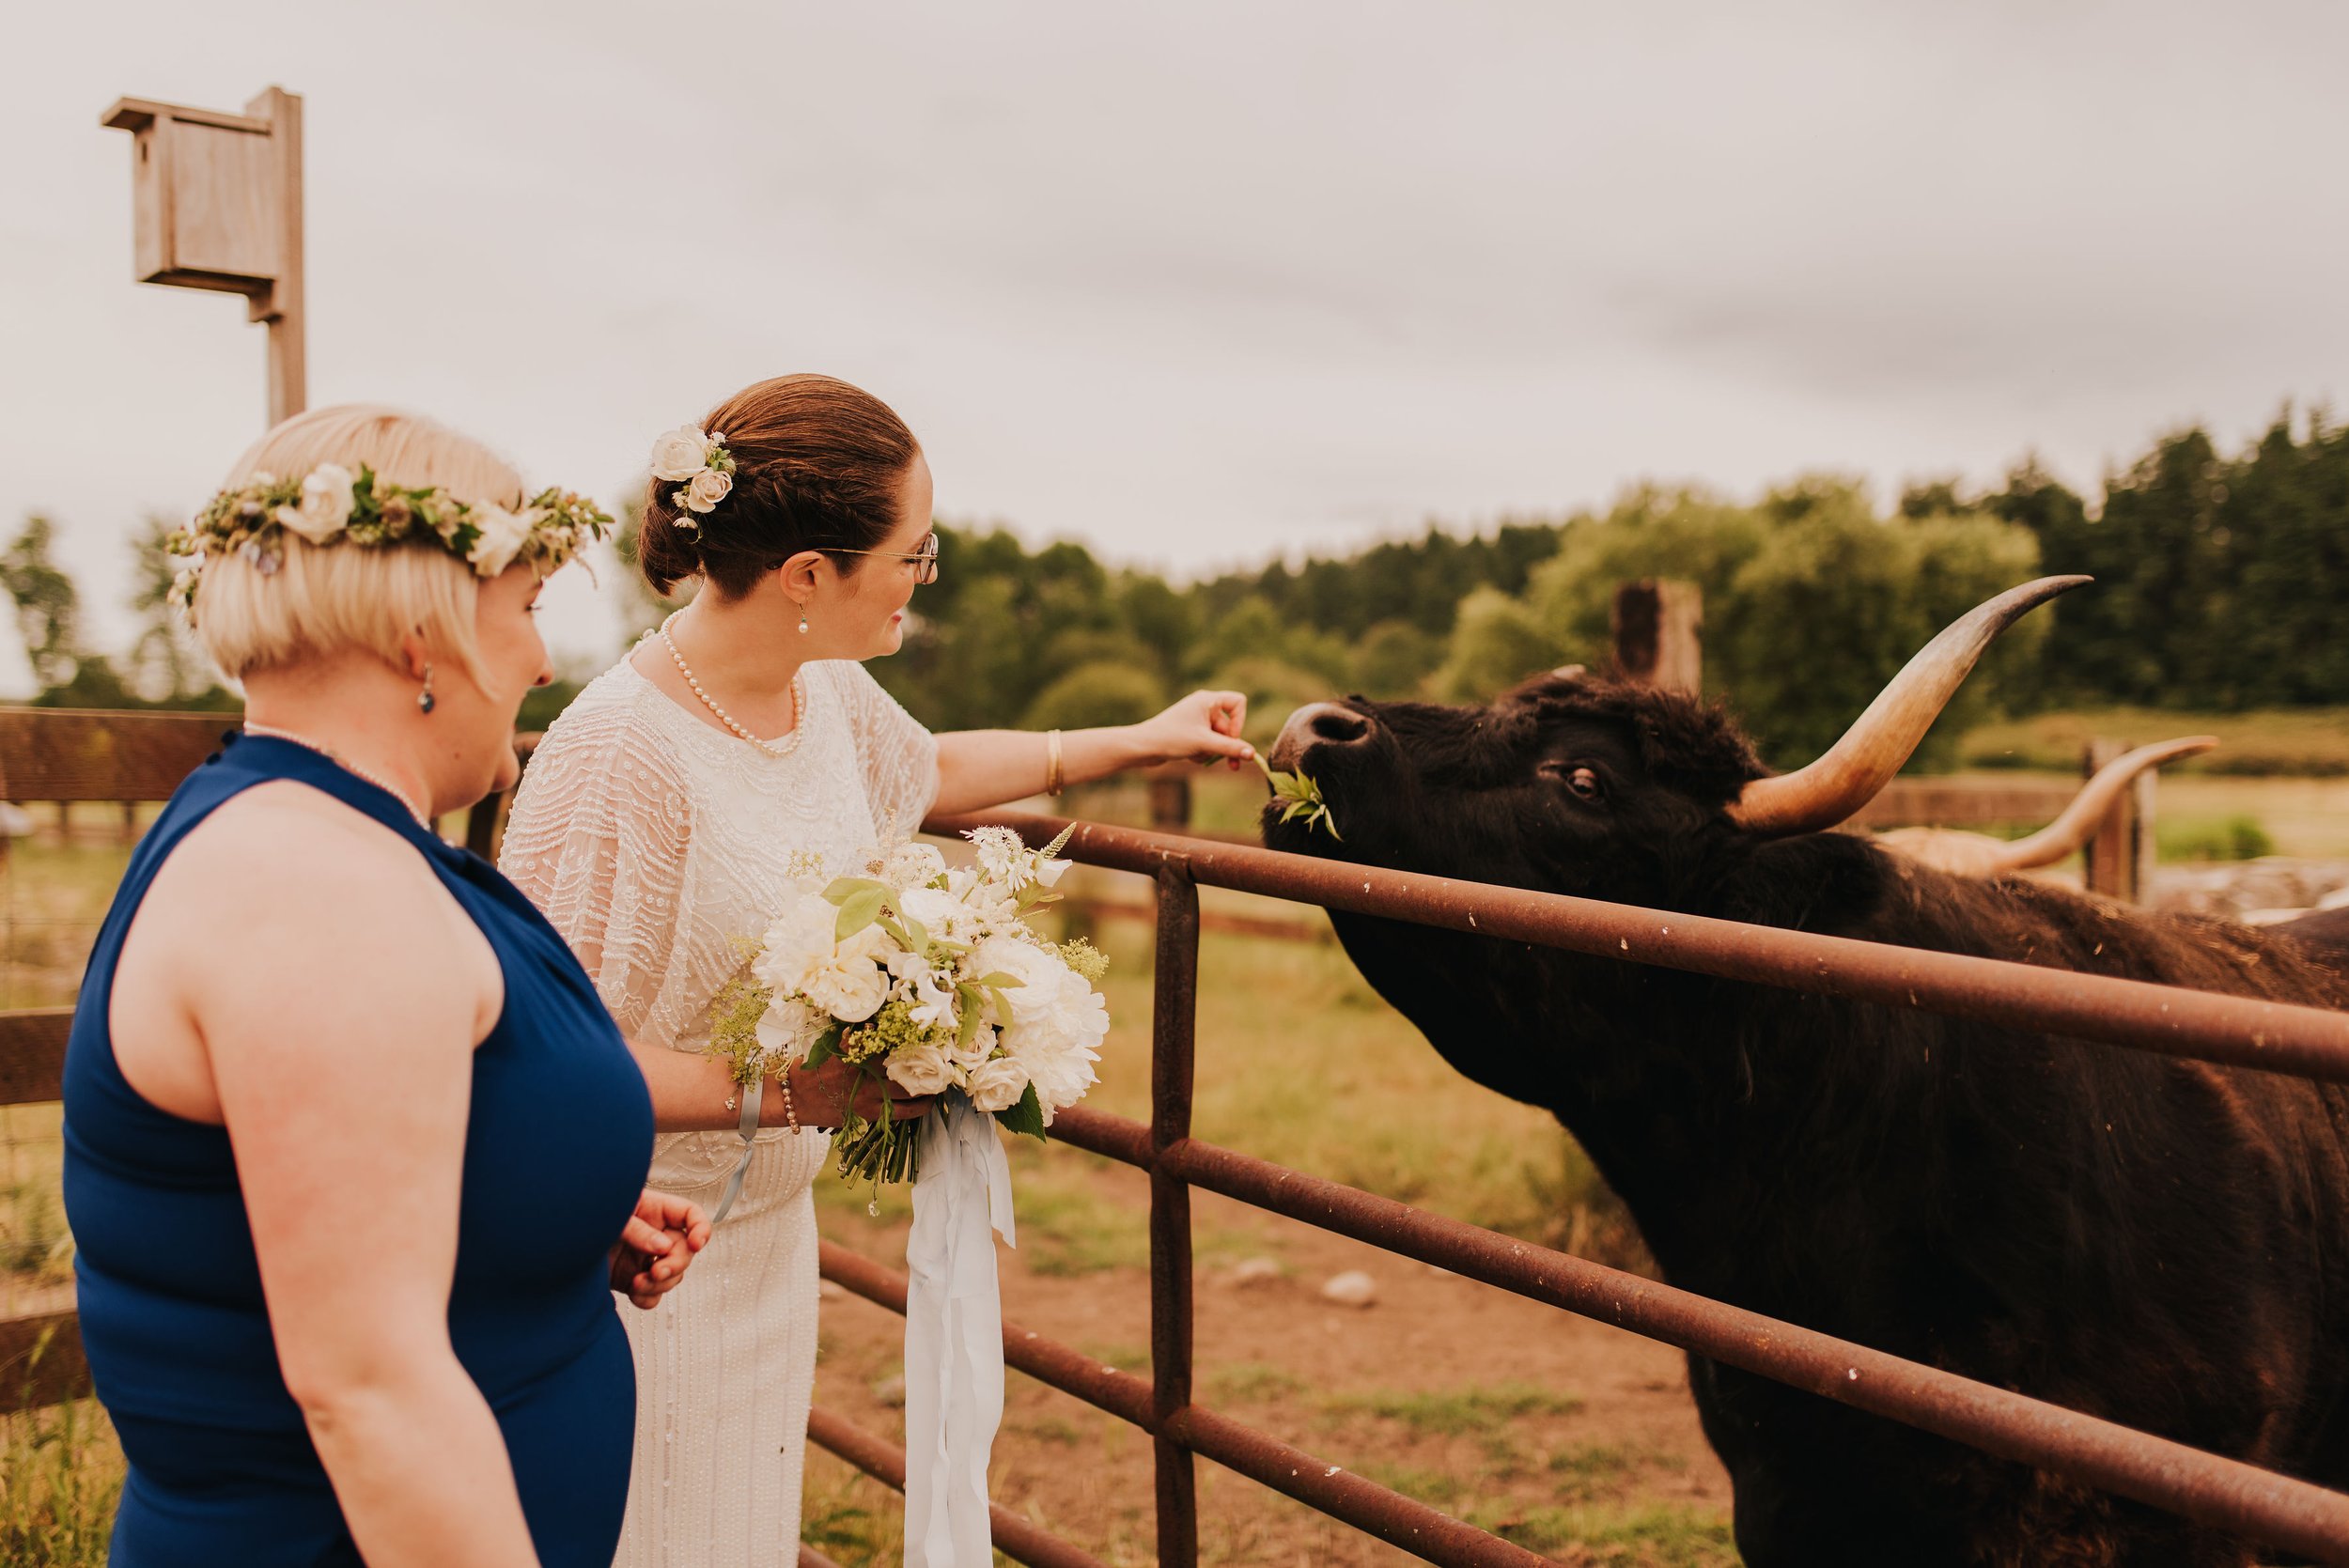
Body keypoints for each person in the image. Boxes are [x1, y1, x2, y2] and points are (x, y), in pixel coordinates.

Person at [500, 372, 1253, 1562]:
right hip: (634, 1260)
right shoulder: (617, 759)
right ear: (808, 574)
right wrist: (810, 1093)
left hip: (764, 1242)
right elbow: (552, 1063)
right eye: (914, 554)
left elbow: (926, 773)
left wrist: (1143, 737)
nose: (925, 576)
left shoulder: (824, 691)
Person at [61, 406, 713, 1568]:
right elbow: (370, 1390)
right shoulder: (317, 890)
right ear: (425, 638)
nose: (540, 658)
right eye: (523, 609)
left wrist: (542, 1206)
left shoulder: (323, 835)